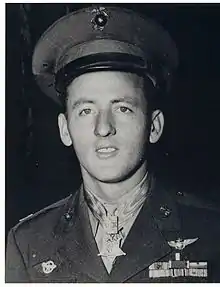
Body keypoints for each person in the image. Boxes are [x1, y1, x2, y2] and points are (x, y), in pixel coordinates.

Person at [6, 5, 220, 283]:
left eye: (122, 108)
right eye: (86, 110)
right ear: (64, 129)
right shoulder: (27, 245)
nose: (103, 128)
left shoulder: (211, 233)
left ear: (153, 126)